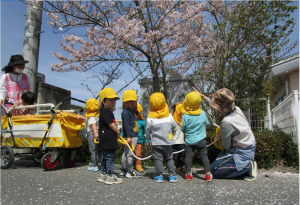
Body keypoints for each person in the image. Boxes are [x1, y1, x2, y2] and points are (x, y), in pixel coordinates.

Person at [193, 87, 257, 181]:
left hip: (241, 152)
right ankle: (226, 163)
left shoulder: (226, 122)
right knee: (212, 150)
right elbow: (217, 105)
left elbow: (226, 146)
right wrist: (202, 96)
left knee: (212, 170)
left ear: (219, 107)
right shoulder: (236, 109)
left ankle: (247, 167)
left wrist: (222, 135)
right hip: (248, 145)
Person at [179, 91, 213, 181]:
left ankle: (188, 174)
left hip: (189, 140)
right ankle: (208, 174)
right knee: (204, 156)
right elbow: (206, 124)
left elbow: (182, 128)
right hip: (201, 140)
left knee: (188, 157)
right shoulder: (202, 113)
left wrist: (187, 132)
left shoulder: (185, 115)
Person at [146, 92, 178, 183]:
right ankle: (172, 175)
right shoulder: (169, 116)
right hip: (168, 142)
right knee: (169, 159)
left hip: (156, 143)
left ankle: (159, 176)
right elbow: (175, 126)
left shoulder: (150, 118)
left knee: (158, 160)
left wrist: (148, 138)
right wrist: (171, 132)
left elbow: (147, 130)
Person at [97, 87, 123, 185]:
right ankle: (110, 176)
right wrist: (118, 132)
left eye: (114, 100)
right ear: (104, 101)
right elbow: (111, 124)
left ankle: (103, 174)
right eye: (110, 100)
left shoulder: (103, 112)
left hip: (104, 139)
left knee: (105, 157)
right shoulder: (106, 112)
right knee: (110, 157)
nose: (113, 102)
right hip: (108, 140)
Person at [120, 90, 142, 178]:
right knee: (129, 153)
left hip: (132, 135)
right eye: (129, 101)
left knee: (126, 153)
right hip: (131, 136)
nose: (132, 102)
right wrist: (128, 136)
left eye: (134, 101)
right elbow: (126, 125)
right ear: (124, 102)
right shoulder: (125, 112)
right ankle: (129, 171)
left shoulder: (130, 112)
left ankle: (124, 170)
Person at [85, 98, 101, 172]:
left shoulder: (91, 115)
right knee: (99, 150)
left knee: (93, 150)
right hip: (99, 132)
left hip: (92, 133)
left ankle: (94, 165)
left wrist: (95, 134)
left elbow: (93, 124)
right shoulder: (97, 113)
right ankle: (102, 164)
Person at [134, 103, 150, 173]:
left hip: (138, 141)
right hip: (131, 140)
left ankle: (138, 164)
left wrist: (146, 140)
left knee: (138, 154)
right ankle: (129, 165)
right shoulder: (130, 121)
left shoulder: (142, 122)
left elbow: (145, 132)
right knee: (129, 154)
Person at [170, 103, 185, 172]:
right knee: (180, 155)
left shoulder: (173, 122)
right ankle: (181, 166)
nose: (171, 113)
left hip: (175, 142)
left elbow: (170, 131)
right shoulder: (182, 121)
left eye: (171, 111)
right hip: (182, 142)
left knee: (175, 155)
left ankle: (175, 166)